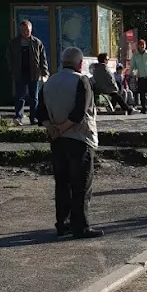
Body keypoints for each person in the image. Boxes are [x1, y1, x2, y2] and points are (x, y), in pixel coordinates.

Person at [37, 45, 103, 240]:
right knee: (81, 184)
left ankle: (62, 223)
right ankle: (80, 226)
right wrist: (64, 128)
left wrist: (54, 129)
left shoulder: (49, 82)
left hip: (57, 141)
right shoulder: (82, 81)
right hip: (80, 139)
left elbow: (40, 112)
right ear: (80, 63)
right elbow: (79, 113)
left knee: (62, 184)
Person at [6, 20, 49, 126]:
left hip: (34, 73)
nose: (25, 32)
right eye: (23, 30)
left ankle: (33, 117)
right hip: (20, 73)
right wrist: (12, 69)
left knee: (34, 97)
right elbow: (9, 57)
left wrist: (45, 72)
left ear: (31, 30)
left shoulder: (37, 42)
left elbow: (43, 58)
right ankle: (18, 116)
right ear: (20, 30)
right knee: (19, 96)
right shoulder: (14, 43)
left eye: (27, 30)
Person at [130, 37, 147, 115]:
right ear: (138, 46)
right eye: (140, 45)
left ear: (145, 46)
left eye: (143, 45)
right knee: (142, 93)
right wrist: (134, 75)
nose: (142, 47)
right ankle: (143, 108)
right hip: (141, 76)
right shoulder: (135, 55)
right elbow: (133, 66)